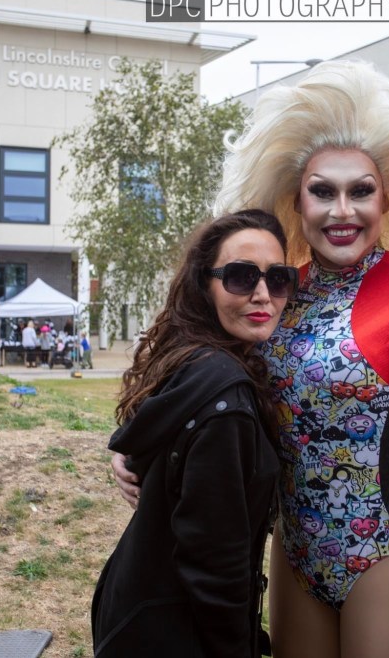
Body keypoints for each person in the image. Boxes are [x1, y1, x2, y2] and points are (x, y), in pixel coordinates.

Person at [113, 60, 389, 658]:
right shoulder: (274, 293)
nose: (342, 210)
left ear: (388, 200)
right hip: (293, 557)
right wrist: (139, 446)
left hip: (386, 557)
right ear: (296, 201)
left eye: (361, 191)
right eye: (323, 191)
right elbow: (199, 371)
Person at [91, 209, 298, 658]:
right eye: (241, 277)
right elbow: (215, 567)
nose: (263, 295)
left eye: (278, 278)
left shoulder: (192, 359)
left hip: (136, 612)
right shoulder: (227, 402)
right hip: (177, 633)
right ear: (205, 284)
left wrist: (126, 454)